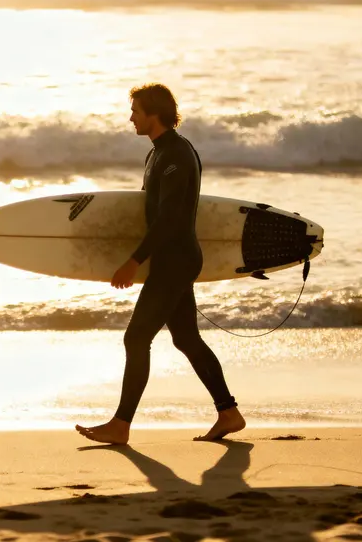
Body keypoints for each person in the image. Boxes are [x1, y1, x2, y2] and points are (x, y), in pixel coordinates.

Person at [76, 84, 246, 445]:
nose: (131, 117)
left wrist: (133, 261)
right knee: (186, 339)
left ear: (154, 112)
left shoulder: (176, 155)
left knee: (136, 338)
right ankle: (228, 412)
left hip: (176, 260)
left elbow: (168, 219)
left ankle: (121, 425)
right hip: (172, 260)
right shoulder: (158, 154)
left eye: (136, 110)